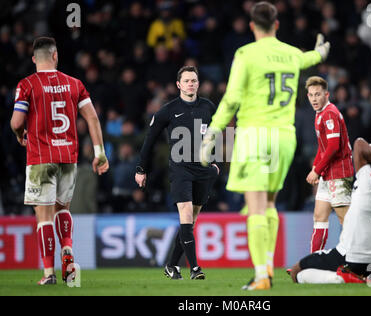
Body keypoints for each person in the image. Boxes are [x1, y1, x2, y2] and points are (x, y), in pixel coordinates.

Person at [200, 1, 330, 290]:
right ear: (277, 25)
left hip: (255, 136)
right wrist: (321, 52)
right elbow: (308, 58)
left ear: (251, 26)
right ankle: (266, 268)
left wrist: (213, 132)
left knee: (255, 206)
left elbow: (232, 99)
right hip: (284, 137)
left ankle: (262, 276)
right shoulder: (290, 53)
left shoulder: (246, 53)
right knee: (269, 204)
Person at [10, 37, 109, 285]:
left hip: (40, 158)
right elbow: (93, 119)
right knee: (62, 209)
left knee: (43, 216)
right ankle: (68, 256)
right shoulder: (74, 84)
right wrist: (100, 152)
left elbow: (16, 121)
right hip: (68, 157)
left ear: (34, 59)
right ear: (55, 56)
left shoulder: (27, 85)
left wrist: (19, 134)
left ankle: (49, 274)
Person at [135, 66, 219, 280]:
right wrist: (141, 169)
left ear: (198, 84)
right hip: (180, 168)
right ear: (179, 85)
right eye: (187, 81)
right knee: (186, 212)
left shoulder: (208, 107)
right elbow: (150, 140)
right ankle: (195, 268)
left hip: (202, 170)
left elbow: (215, 135)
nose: (191, 84)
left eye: (194, 80)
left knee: (189, 223)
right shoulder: (168, 110)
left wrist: (215, 160)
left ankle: (171, 265)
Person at [289, 134, 371, 284]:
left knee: (297, 272)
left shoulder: (367, 181)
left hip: (352, 255)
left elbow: (359, 144)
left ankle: (343, 277)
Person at [305, 76, 354, 253]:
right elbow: (323, 146)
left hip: (340, 173)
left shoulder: (330, 113)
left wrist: (316, 170)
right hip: (328, 173)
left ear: (326, 94)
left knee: (345, 219)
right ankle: (313, 262)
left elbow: (333, 147)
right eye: (311, 95)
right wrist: (316, 167)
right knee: (319, 216)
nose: (314, 99)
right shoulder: (320, 114)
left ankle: (359, 261)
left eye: (318, 94)